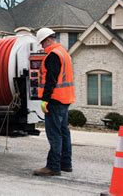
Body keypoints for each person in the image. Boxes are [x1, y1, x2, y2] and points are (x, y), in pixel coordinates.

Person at [33, 27, 75, 177]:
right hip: (65, 98)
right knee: (64, 132)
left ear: (48, 40)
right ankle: (66, 164)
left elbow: (51, 80)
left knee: (54, 134)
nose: (42, 47)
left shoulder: (52, 55)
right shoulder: (64, 53)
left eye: (42, 43)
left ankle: (53, 167)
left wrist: (44, 99)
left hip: (55, 100)